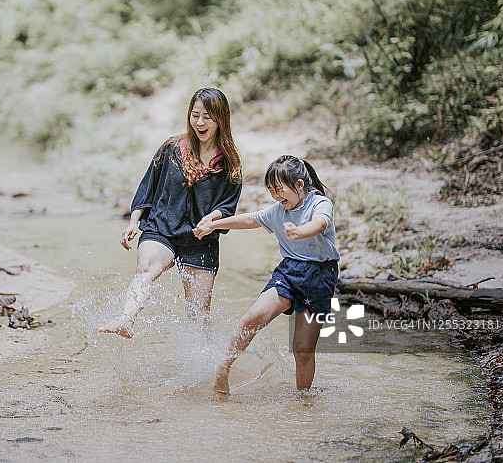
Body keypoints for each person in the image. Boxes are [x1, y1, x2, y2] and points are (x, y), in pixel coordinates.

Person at [99, 87, 243, 339]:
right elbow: (148, 187)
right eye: (194, 114)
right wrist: (134, 222)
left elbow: (227, 207)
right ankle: (125, 320)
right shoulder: (172, 148)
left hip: (201, 239)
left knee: (198, 315)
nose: (199, 122)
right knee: (146, 268)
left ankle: (203, 370)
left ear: (221, 119)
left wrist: (211, 220)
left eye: (207, 117)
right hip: (161, 229)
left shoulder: (229, 164)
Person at [193, 155, 338, 395]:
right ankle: (223, 368)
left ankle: (302, 400)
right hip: (290, 270)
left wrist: (300, 232)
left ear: (299, 185)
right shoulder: (278, 210)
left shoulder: (319, 204)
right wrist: (214, 225)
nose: (276, 196)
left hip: (319, 276)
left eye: (279, 190)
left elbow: (320, 224)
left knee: (302, 349)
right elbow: (251, 219)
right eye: (271, 190)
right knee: (254, 316)